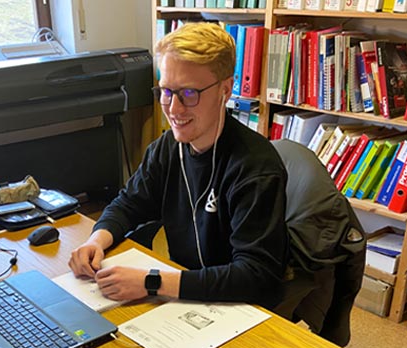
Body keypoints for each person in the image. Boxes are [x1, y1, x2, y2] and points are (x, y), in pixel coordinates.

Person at [68, 22, 289, 309]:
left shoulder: (255, 168)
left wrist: (152, 282)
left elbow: (256, 276)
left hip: (243, 308)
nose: (173, 109)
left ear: (225, 90)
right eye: (166, 91)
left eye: (189, 94)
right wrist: (96, 241)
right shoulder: (168, 148)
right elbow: (130, 203)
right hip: (187, 293)